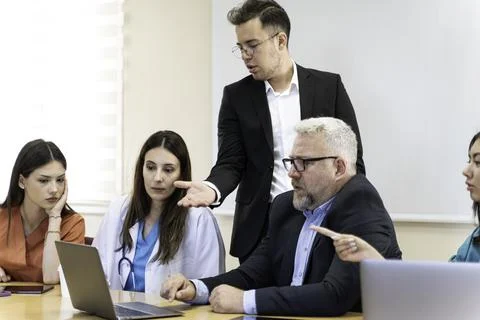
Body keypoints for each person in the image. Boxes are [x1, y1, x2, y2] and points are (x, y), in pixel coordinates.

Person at [175, 0, 366, 263]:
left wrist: (350, 215)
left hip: (321, 220)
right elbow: (231, 161)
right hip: (260, 227)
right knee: (254, 302)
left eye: (252, 46)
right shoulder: (236, 96)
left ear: (280, 40)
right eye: (240, 48)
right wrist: (212, 189)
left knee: (310, 302)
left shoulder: (328, 87)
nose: (245, 55)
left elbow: (352, 160)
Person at [161, 117, 400, 316]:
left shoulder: (360, 203)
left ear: (338, 167)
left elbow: (334, 296)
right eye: (291, 162)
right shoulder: (286, 205)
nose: (292, 174)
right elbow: (255, 272)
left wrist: (245, 301)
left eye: (303, 163)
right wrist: (196, 288)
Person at [314, 131, 480, 264]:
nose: (466, 171)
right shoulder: (473, 242)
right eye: (469, 160)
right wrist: (371, 256)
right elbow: (444, 289)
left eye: (478, 162)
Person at [92, 130, 225, 295]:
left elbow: (210, 285)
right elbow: (95, 271)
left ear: (182, 173)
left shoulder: (199, 218)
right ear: (142, 169)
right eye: (150, 167)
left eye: (168, 170)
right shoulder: (118, 209)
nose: (157, 177)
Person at [0, 139, 85, 284]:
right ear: (21, 181)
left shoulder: (72, 224)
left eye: (60, 180)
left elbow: (52, 277)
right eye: (44, 181)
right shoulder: (2, 217)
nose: (54, 189)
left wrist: (54, 218)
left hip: (49, 306)